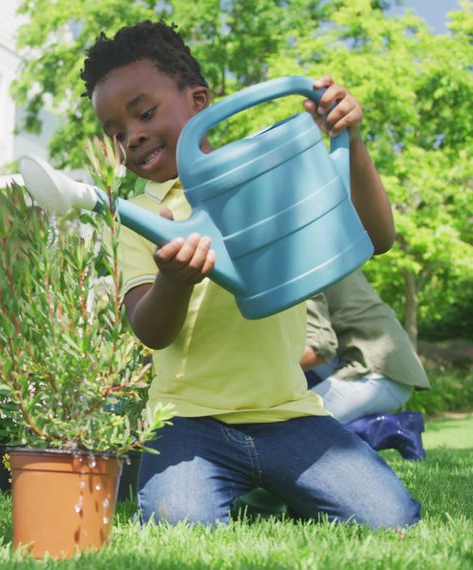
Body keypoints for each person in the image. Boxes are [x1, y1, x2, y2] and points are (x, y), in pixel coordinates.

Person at [83, 21, 419, 528]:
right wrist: (174, 279)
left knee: (390, 519)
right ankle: (257, 486)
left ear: (199, 101)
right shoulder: (141, 217)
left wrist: (350, 139)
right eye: (116, 134)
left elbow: (376, 238)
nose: (132, 137)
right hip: (186, 422)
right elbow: (151, 329)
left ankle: (270, 487)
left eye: (145, 113)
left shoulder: (266, 175)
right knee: (179, 524)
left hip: (290, 413)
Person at [303, 269, 430, 425]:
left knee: (289, 426)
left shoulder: (302, 268)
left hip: (377, 372)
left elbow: (320, 349)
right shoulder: (327, 256)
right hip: (375, 364)